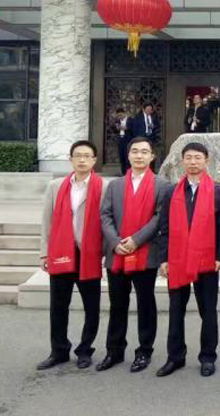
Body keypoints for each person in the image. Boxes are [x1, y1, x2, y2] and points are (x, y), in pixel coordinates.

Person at [156, 142, 220, 378]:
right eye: (188, 157)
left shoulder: (218, 191)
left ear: (206, 161)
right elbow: (164, 227)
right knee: (176, 310)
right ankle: (175, 357)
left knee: (208, 311)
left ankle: (208, 357)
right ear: (182, 161)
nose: (193, 162)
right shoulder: (171, 192)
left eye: (198, 157)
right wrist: (164, 258)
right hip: (177, 259)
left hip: (206, 260)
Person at [97, 137, 168, 373]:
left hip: (146, 253)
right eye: (135, 151)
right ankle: (114, 351)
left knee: (145, 304)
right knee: (117, 304)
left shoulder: (162, 185)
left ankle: (144, 351)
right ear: (128, 155)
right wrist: (115, 242)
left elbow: (159, 218)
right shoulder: (115, 185)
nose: (139, 155)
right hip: (117, 253)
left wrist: (136, 240)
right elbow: (105, 215)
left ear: (152, 156)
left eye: (144, 152)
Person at [37, 141, 108, 371]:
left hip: (89, 253)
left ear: (94, 160)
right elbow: (47, 220)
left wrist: (106, 251)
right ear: (70, 159)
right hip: (62, 251)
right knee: (58, 305)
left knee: (91, 306)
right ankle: (58, 351)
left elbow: (108, 221)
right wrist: (44, 253)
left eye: (87, 156)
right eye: (77, 155)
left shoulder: (104, 187)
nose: (82, 160)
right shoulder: (56, 186)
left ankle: (85, 350)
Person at [114, 108, 131, 175]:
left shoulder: (130, 120)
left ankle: (128, 172)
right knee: (122, 156)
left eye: (120, 115)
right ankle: (123, 172)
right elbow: (113, 130)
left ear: (124, 113)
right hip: (120, 140)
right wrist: (116, 128)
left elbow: (133, 129)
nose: (119, 117)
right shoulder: (117, 121)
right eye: (118, 116)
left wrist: (127, 128)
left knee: (127, 157)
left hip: (128, 140)